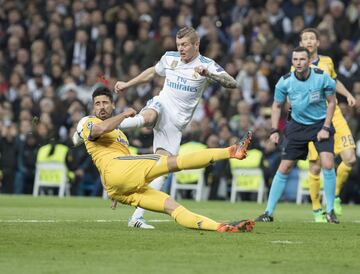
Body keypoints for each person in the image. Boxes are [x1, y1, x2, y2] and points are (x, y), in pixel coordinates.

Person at [76, 85, 255, 233]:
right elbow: (99, 132)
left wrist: (113, 189)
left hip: (120, 185)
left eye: (105, 103)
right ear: (93, 107)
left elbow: (105, 161)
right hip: (116, 174)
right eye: (97, 103)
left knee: (172, 206)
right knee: (172, 161)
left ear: (112, 105)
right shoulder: (88, 121)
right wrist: (123, 114)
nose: (101, 107)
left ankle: (220, 227)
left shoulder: (120, 134)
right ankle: (232, 151)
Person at [114, 26, 238, 229]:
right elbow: (151, 73)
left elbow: (232, 83)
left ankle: (136, 217)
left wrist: (210, 74)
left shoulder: (207, 65)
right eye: (178, 44)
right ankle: (107, 127)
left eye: (185, 45)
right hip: (162, 105)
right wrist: (127, 84)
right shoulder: (169, 58)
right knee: (148, 116)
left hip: (175, 124)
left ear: (196, 45)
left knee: (161, 170)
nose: (180, 48)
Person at [255, 46, 339, 224]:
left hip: (320, 124)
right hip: (296, 126)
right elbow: (276, 106)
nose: (298, 63)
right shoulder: (284, 82)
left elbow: (332, 102)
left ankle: (330, 211)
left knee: (328, 163)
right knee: (284, 167)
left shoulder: (322, 77)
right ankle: (268, 212)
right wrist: (274, 130)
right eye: (295, 60)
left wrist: (325, 127)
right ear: (292, 62)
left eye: (302, 59)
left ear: (309, 61)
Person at [298, 28, 356, 222]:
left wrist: (347, 95)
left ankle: (335, 195)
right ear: (301, 43)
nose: (308, 41)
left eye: (311, 38)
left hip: (335, 115)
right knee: (316, 167)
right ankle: (317, 210)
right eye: (305, 38)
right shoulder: (296, 66)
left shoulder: (327, 61)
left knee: (350, 158)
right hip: (314, 118)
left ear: (317, 43)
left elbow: (334, 81)